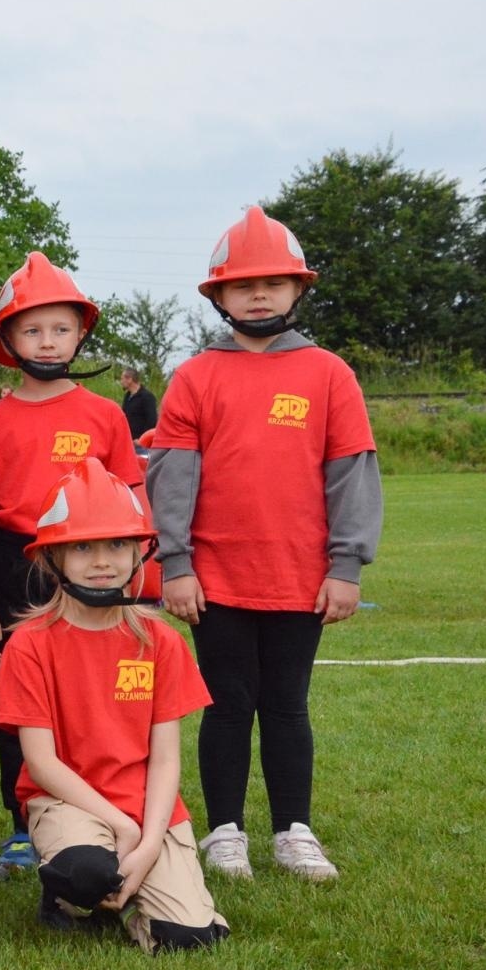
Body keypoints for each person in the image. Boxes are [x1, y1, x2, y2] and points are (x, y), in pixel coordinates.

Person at [147, 206, 381, 882]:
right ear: (218, 295)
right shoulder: (195, 377)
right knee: (226, 704)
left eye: (274, 283)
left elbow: (351, 473)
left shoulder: (328, 373)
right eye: (244, 284)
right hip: (213, 578)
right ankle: (225, 832)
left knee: (286, 704)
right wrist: (177, 564)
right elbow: (171, 478)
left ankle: (293, 831)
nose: (259, 294)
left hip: (299, 577)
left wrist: (346, 567)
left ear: (297, 291)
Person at [0, 457, 229, 953]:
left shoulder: (162, 642)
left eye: (118, 544)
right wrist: (121, 826)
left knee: (190, 939)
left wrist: (146, 842)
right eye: (82, 546)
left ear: (140, 552)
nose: (103, 561)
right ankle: (69, 895)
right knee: (88, 872)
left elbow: (165, 759)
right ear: (52, 557)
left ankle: (137, 894)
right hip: (67, 800)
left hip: (146, 805)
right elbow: (41, 762)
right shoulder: (30, 644)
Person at [0, 252, 144, 878]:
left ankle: (104, 807)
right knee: (19, 706)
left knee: (93, 698)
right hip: (18, 568)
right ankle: (23, 826)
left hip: (95, 565)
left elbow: (131, 496)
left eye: (61, 328)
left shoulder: (105, 414)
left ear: (81, 334)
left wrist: (138, 571)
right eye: (33, 329)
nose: (48, 340)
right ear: (9, 340)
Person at [120, 367, 158, 443]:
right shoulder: (127, 396)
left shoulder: (147, 397)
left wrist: (142, 438)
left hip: (140, 441)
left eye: (122, 379)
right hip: (128, 440)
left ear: (130, 379)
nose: (121, 382)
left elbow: (152, 421)